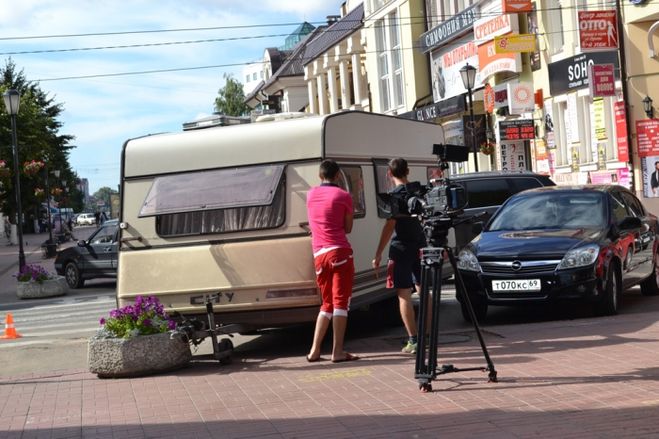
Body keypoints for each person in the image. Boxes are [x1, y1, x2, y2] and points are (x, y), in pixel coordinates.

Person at [306, 159, 359, 363]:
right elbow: (348, 228)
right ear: (338, 176)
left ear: (320, 176)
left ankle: (314, 350)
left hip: (319, 254)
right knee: (340, 304)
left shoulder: (310, 195)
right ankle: (337, 351)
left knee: (326, 304)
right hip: (339, 252)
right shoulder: (344, 196)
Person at [372, 158, 427, 354]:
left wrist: (378, 253)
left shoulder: (393, 196)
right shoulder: (418, 191)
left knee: (404, 293)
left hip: (400, 248)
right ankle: (427, 335)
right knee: (423, 289)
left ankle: (414, 340)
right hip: (420, 244)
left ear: (389, 173)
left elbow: (390, 225)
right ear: (408, 171)